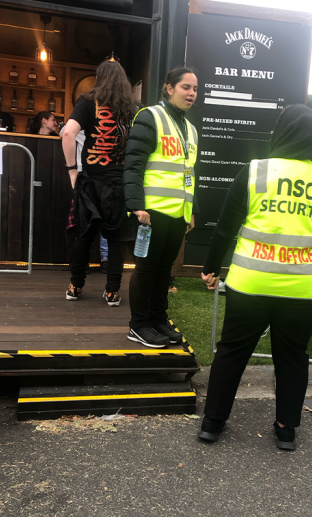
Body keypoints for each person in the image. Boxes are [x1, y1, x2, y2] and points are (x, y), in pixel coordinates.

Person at [197, 105, 312, 450]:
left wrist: (210, 268)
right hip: (303, 288)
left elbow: (224, 228)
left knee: (232, 351)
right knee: (292, 355)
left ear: (279, 134)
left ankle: (213, 423)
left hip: (251, 283)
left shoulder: (254, 173)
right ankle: (286, 429)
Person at [123, 66, 199, 348]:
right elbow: (133, 165)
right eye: (185, 87)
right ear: (169, 88)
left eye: (194, 89)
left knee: (164, 270)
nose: (191, 93)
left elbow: (189, 172)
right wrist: (136, 205)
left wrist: (192, 209)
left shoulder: (190, 130)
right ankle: (138, 325)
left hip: (178, 214)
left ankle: (157, 320)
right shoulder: (150, 117)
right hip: (151, 214)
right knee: (145, 269)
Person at [61, 59, 136, 307]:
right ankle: (113, 291)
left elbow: (68, 133)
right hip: (118, 183)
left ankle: (75, 286)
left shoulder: (87, 102)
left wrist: (72, 170)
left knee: (84, 235)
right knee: (115, 239)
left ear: (99, 78)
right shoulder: (133, 107)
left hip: (90, 181)